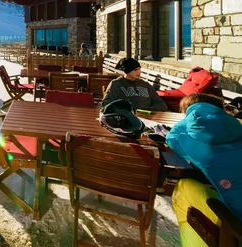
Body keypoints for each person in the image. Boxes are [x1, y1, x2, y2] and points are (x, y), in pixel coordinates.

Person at [167, 93, 242, 246]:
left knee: (183, 187)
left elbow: (171, 138)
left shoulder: (195, 135)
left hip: (236, 222)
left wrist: (187, 118)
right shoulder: (236, 127)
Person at [102, 57, 167, 111]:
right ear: (127, 71)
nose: (139, 72)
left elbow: (161, 104)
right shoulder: (116, 84)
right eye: (135, 70)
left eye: (139, 69)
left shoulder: (146, 85)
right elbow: (106, 103)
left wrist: (148, 110)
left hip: (147, 117)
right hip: (125, 117)